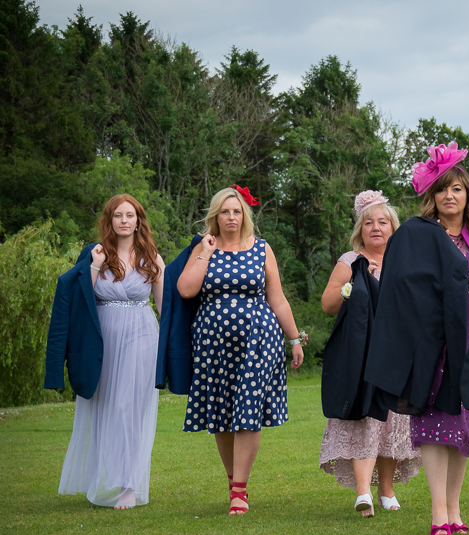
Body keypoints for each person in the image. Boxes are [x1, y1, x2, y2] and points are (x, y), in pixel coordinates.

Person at [380, 143, 469, 535]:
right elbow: (401, 286)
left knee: (463, 425)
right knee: (436, 422)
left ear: (468, 194)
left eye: (456, 189)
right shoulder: (419, 235)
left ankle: (455, 507)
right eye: (441, 190)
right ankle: (438, 513)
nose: (449, 196)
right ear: (431, 196)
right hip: (433, 342)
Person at [176, 185, 306, 514]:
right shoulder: (204, 247)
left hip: (259, 341)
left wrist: (293, 339)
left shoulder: (261, 249)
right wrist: (205, 250)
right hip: (213, 346)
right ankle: (233, 480)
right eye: (224, 212)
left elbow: (276, 298)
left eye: (236, 211)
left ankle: (239, 491)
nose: (231, 217)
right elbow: (186, 289)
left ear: (244, 216)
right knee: (221, 413)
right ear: (215, 217)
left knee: (248, 408)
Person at [46, 194, 165, 509]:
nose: (124, 221)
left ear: (138, 220)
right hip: (103, 340)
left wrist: (171, 356)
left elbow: (165, 310)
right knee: (105, 407)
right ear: (109, 221)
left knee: (130, 410)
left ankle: (130, 484)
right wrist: (95, 268)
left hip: (142, 336)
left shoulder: (151, 257)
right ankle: (107, 477)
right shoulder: (95, 254)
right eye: (118, 215)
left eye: (130, 215)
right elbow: (79, 297)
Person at [318, 191, 421, 516]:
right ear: (360, 229)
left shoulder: (406, 260)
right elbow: (328, 303)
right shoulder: (351, 261)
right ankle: (363, 492)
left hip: (398, 353)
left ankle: (386, 491)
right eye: (368, 223)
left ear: (393, 227)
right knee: (364, 418)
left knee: (391, 420)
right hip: (360, 353)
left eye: (382, 222)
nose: (376, 227)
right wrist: (351, 284)